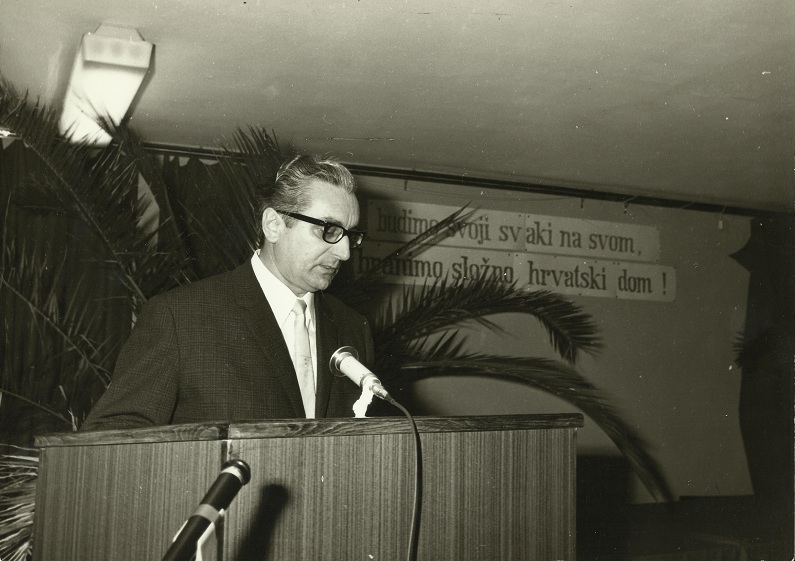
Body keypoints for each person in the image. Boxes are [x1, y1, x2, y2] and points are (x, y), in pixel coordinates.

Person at [81, 155, 374, 430]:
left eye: (351, 235)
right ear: (274, 225)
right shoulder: (181, 317)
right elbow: (113, 432)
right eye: (330, 230)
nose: (345, 252)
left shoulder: (352, 328)